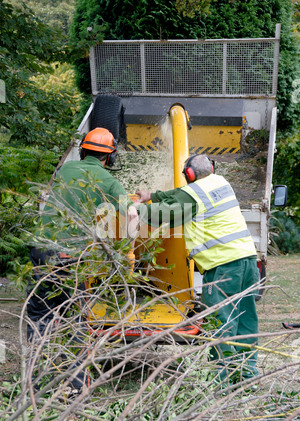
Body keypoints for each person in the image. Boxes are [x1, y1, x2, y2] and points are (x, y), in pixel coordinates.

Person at [27, 127, 138, 393]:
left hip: (41, 248)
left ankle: (36, 381)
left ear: (83, 150)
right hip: (70, 255)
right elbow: (132, 216)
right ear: (108, 157)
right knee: (75, 316)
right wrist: (129, 252)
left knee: (40, 313)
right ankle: (75, 385)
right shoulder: (109, 181)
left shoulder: (65, 170)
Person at [136, 154, 259, 382]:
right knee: (245, 319)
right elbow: (179, 195)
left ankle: (221, 381)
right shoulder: (221, 183)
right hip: (248, 261)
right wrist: (151, 195)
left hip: (223, 267)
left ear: (189, 175)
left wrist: (136, 210)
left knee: (221, 323)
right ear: (211, 168)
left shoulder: (193, 196)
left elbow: (165, 214)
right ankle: (247, 376)